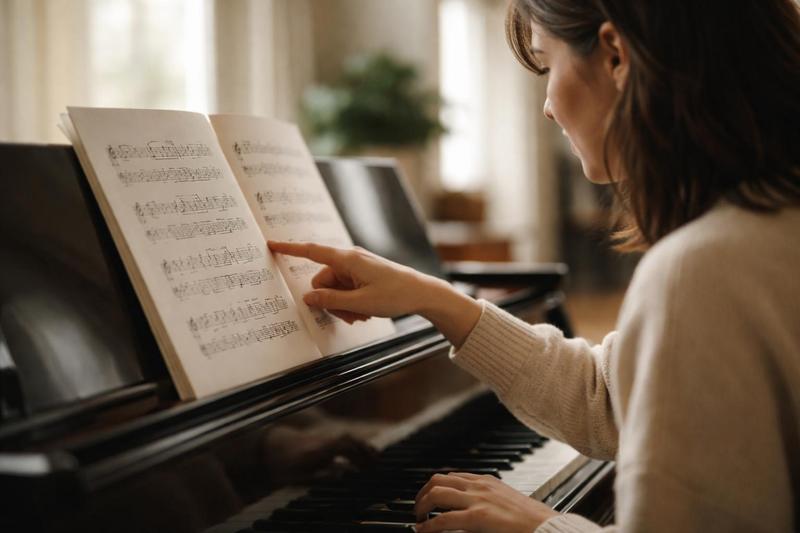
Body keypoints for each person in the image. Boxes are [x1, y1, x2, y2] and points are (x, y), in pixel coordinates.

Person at [269, 0, 800, 531]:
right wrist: (436, 299)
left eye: (547, 65)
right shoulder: (761, 230)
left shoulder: (703, 270)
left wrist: (542, 526)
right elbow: (612, 399)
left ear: (616, 56)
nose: (547, 106)